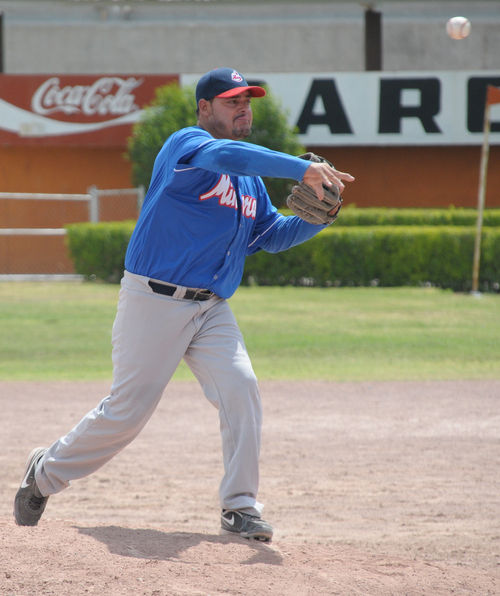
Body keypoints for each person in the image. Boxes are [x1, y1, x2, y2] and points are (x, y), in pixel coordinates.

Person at [14, 68, 354, 541]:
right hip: (154, 300)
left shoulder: (250, 184)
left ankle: (240, 507)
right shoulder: (187, 144)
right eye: (232, 101)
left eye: (247, 102)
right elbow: (225, 155)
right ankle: (45, 472)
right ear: (204, 108)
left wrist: (320, 218)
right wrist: (300, 169)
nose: (243, 109)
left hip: (211, 308)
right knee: (126, 412)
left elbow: (272, 235)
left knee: (241, 388)